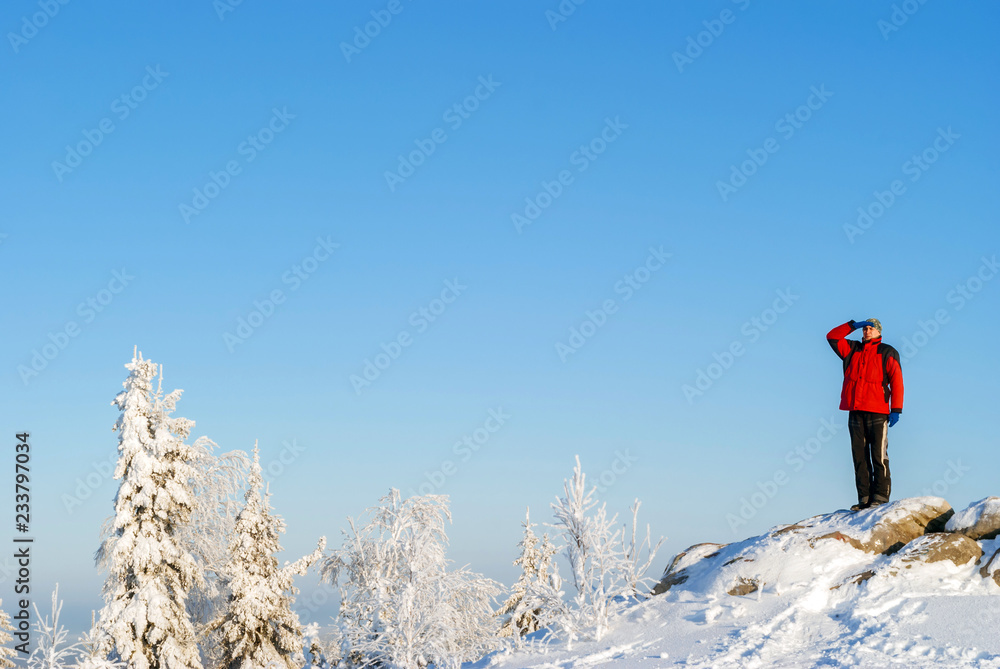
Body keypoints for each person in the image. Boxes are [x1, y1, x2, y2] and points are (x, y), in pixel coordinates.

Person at [826, 318, 904, 510]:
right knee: (859, 456)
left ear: (879, 332)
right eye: (865, 328)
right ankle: (864, 498)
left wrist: (896, 409)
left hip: (878, 411)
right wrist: (853, 325)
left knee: (878, 456)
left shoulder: (887, 351)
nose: (867, 331)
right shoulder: (851, 349)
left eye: (871, 329)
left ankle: (880, 497)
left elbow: (897, 381)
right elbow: (832, 336)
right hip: (855, 411)